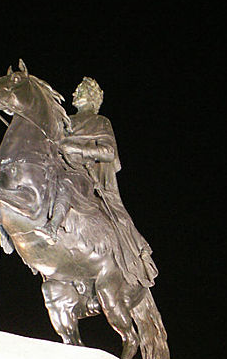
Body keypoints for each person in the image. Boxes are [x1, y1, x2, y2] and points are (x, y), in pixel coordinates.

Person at [46, 77, 157, 288]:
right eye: (76, 91)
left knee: (68, 185)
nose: (73, 95)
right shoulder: (64, 121)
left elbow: (108, 151)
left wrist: (78, 149)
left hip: (88, 181)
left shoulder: (100, 122)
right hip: (59, 173)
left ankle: (53, 227)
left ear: (93, 97)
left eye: (80, 91)